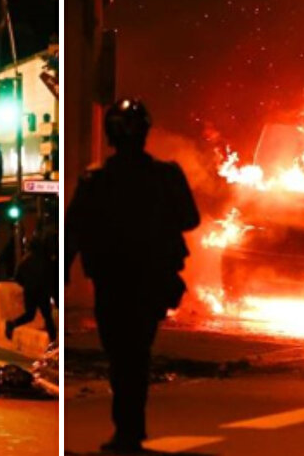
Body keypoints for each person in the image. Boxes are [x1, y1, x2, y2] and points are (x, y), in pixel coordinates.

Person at [66, 99, 200, 454]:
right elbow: (190, 219)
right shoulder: (164, 176)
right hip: (148, 280)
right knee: (135, 353)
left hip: (114, 281)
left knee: (121, 353)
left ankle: (127, 429)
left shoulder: (96, 180)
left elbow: (74, 230)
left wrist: (63, 271)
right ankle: (129, 428)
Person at [5, 234, 57, 343]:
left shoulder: (25, 261)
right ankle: (53, 340)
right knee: (47, 316)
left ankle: (12, 324)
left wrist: (27, 284)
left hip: (30, 291)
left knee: (30, 314)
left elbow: (18, 277)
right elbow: (50, 276)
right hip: (42, 291)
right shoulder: (45, 260)